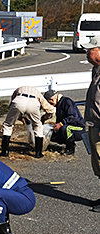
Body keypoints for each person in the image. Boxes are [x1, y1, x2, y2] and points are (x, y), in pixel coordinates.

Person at [1, 86, 54, 158]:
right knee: (38, 126)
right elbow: (51, 110)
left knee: (8, 125)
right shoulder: (38, 94)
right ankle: (38, 153)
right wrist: (44, 118)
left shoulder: (18, 90)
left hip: (19, 100)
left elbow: (13, 107)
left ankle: (5, 151)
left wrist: (20, 118)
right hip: (33, 102)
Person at [81, 36, 100, 212]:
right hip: (94, 123)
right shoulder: (96, 70)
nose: (87, 54)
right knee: (98, 162)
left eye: (90, 50)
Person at [42, 90, 85, 155]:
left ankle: (70, 148)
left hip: (79, 128)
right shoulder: (58, 104)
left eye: (50, 103)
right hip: (67, 126)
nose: (50, 105)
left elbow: (73, 117)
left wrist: (61, 123)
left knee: (65, 128)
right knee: (51, 133)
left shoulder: (66, 102)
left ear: (52, 99)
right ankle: (64, 142)